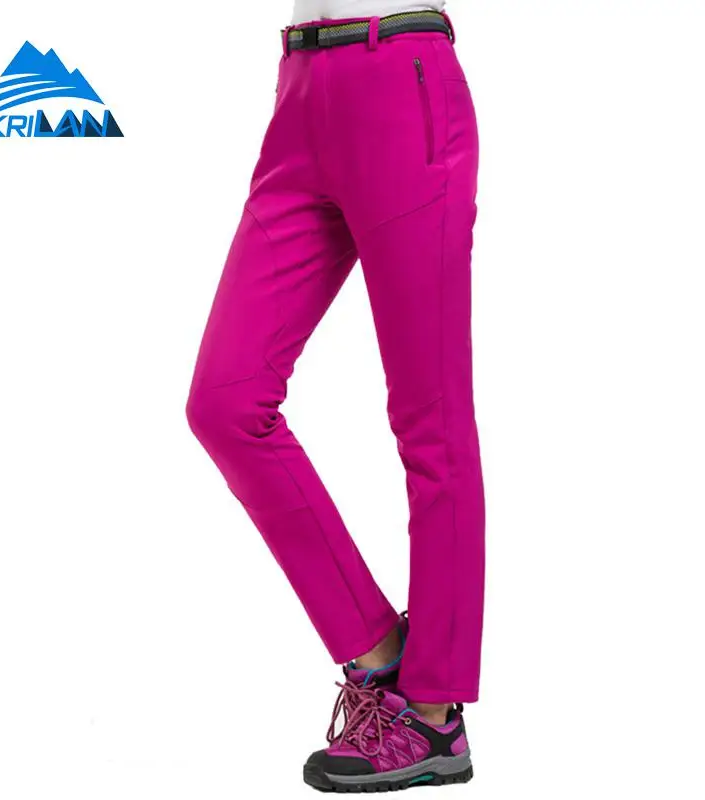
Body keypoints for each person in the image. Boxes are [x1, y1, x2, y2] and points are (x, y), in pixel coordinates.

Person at [187, 1, 484, 791]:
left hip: (401, 79)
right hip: (300, 92)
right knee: (225, 400)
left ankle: (433, 711)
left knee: (430, 418)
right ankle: (379, 653)